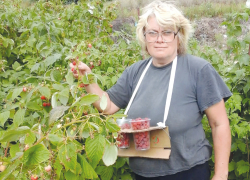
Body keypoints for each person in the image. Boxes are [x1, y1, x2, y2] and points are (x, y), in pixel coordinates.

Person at [70, 1, 232, 179]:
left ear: (179, 36)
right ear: (144, 37)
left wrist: (221, 174)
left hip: (187, 173)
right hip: (142, 174)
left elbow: (219, 124)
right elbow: (107, 106)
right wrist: (87, 80)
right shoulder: (135, 72)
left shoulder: (198, 70)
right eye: (152, 33)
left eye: (167, 32)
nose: (159, 39)